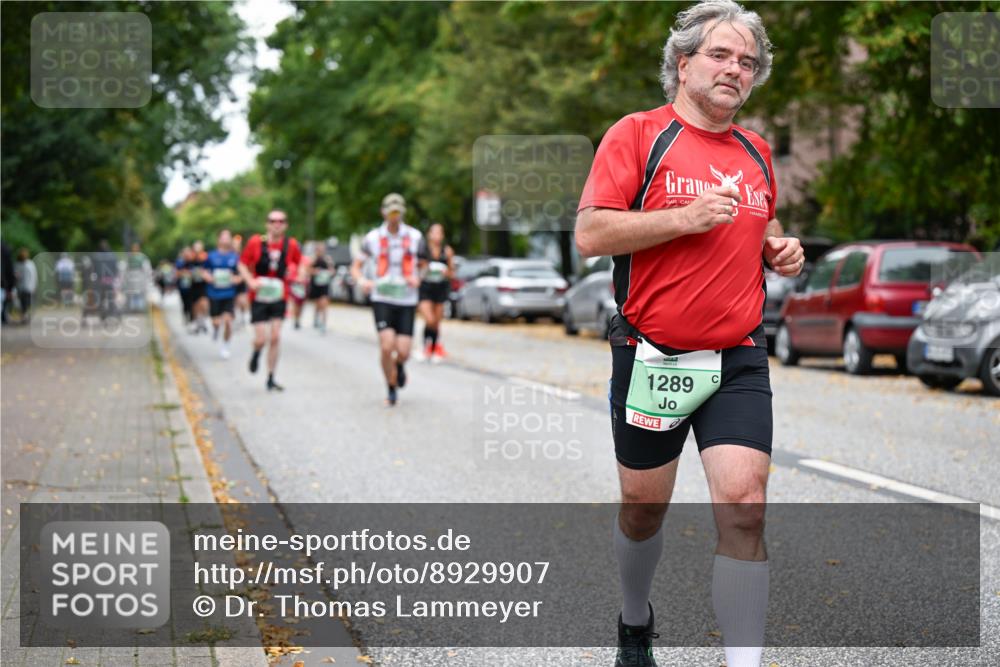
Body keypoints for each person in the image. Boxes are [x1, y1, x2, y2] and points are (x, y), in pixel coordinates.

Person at [573, 2, 804, 666]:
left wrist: (778, 248)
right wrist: (681, 218)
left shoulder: (757, 150)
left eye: (749, 63)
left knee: (745, 505)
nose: (738, 70)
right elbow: (592, 232)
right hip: (653, 354)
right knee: (643, 508)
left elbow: (754, 226)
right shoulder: (640, 134)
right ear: (683, 63)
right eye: (723, 56)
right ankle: (635, 618)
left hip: (738, 355)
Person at [351, 193, 423, 406]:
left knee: (403, 351)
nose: (394, 214)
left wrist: (418, 278)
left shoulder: (416, 236)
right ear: (383, 212)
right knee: (386, 346)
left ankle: (399, 365)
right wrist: (363, 281)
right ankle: (390, 387)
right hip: (382, 297)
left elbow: (425, 265)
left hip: (406, 299)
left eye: (398, 210)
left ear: (402, 212)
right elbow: (356, 266)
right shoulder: (372, 238)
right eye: (390, 210)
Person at [238, 209, 301, 391]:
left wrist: (295, 274)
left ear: (286, 225)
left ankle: (271, 377)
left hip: (279, 296)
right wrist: (250, 281)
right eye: (273, 221)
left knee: (275, 337)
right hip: (259, 296)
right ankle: (256, 352)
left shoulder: (291, 245)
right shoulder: (256, 243)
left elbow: (299, 264)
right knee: (261, 338)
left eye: (281, 221)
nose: (277, 224)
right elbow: (242, 263)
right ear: (267, 224)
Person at [416, 223, 455, 362]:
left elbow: (452, 272)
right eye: (435, 232)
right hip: (426, 287)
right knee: (429, 319)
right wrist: (426, 269)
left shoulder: (447, 251)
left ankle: (434, 349)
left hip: (440, 288)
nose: (437, 236)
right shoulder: (423, 249)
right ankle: (425, 346)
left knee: (436, 322)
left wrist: (446, 272)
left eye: (440, 233)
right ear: (429, 234)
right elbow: (417, 269)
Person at [204, 229, 242, 359]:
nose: (226, 240)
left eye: (228, 237)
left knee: (228, 321)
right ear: (219, 239)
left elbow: (241, 274)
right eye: (223, 237)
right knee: (216, 321)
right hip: (214, 293)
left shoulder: (235, 257)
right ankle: (215, 328)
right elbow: (204, 271)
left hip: (229, 294)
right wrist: (209, 277)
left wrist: (236, 279)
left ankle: (226, 346)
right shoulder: (211, 256)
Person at [307, 241, 334, 333]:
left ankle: (323, 323)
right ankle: (316, 318)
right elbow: (307, 270)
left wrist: (329, 273)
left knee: (324, 303)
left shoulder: (327, 259)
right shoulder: (312, 259)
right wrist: (315, 271)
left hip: (325, 285)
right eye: (318, 249)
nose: (320, 251)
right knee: (318, 303)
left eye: (322, 249)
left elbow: (332, 270)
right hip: (315, 285)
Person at [189, 240, 210, 333]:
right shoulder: (190, 259)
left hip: (204, 284)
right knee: (196, 305)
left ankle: (204, 321)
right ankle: (197, 323)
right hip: (194, 284)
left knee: (204, 304)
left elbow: (210, 269)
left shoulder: (206, 258)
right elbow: (184, 269)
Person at [14, 248, 37, 324]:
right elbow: (15, 275)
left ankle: (25, 316)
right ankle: (24, 316)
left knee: (27, 302)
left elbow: (34, 276)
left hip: (28, 287)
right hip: (20, 287)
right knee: (22, 303)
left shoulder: (30, 264)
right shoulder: (17, 264)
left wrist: (34, 286)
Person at [232, 234, 250, 328]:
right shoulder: (229, 255)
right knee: (234, 301)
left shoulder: (243, 255)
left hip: (241, 281)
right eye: (234, 243)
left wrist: (242, 278)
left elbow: (248, 267)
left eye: (237, 244)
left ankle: (244, 318)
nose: (236, 245)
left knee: (243, 300)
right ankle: (237, 318)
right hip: (231, 282)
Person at [176, 246, 195, 326]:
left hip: (192, 286)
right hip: (183, 286)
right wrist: (184, 273)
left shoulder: (193, 262)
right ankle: (186, 316)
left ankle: (192, 318)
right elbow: (177, 273)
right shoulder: (180, 262)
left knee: (192, 302)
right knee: (185, 303)